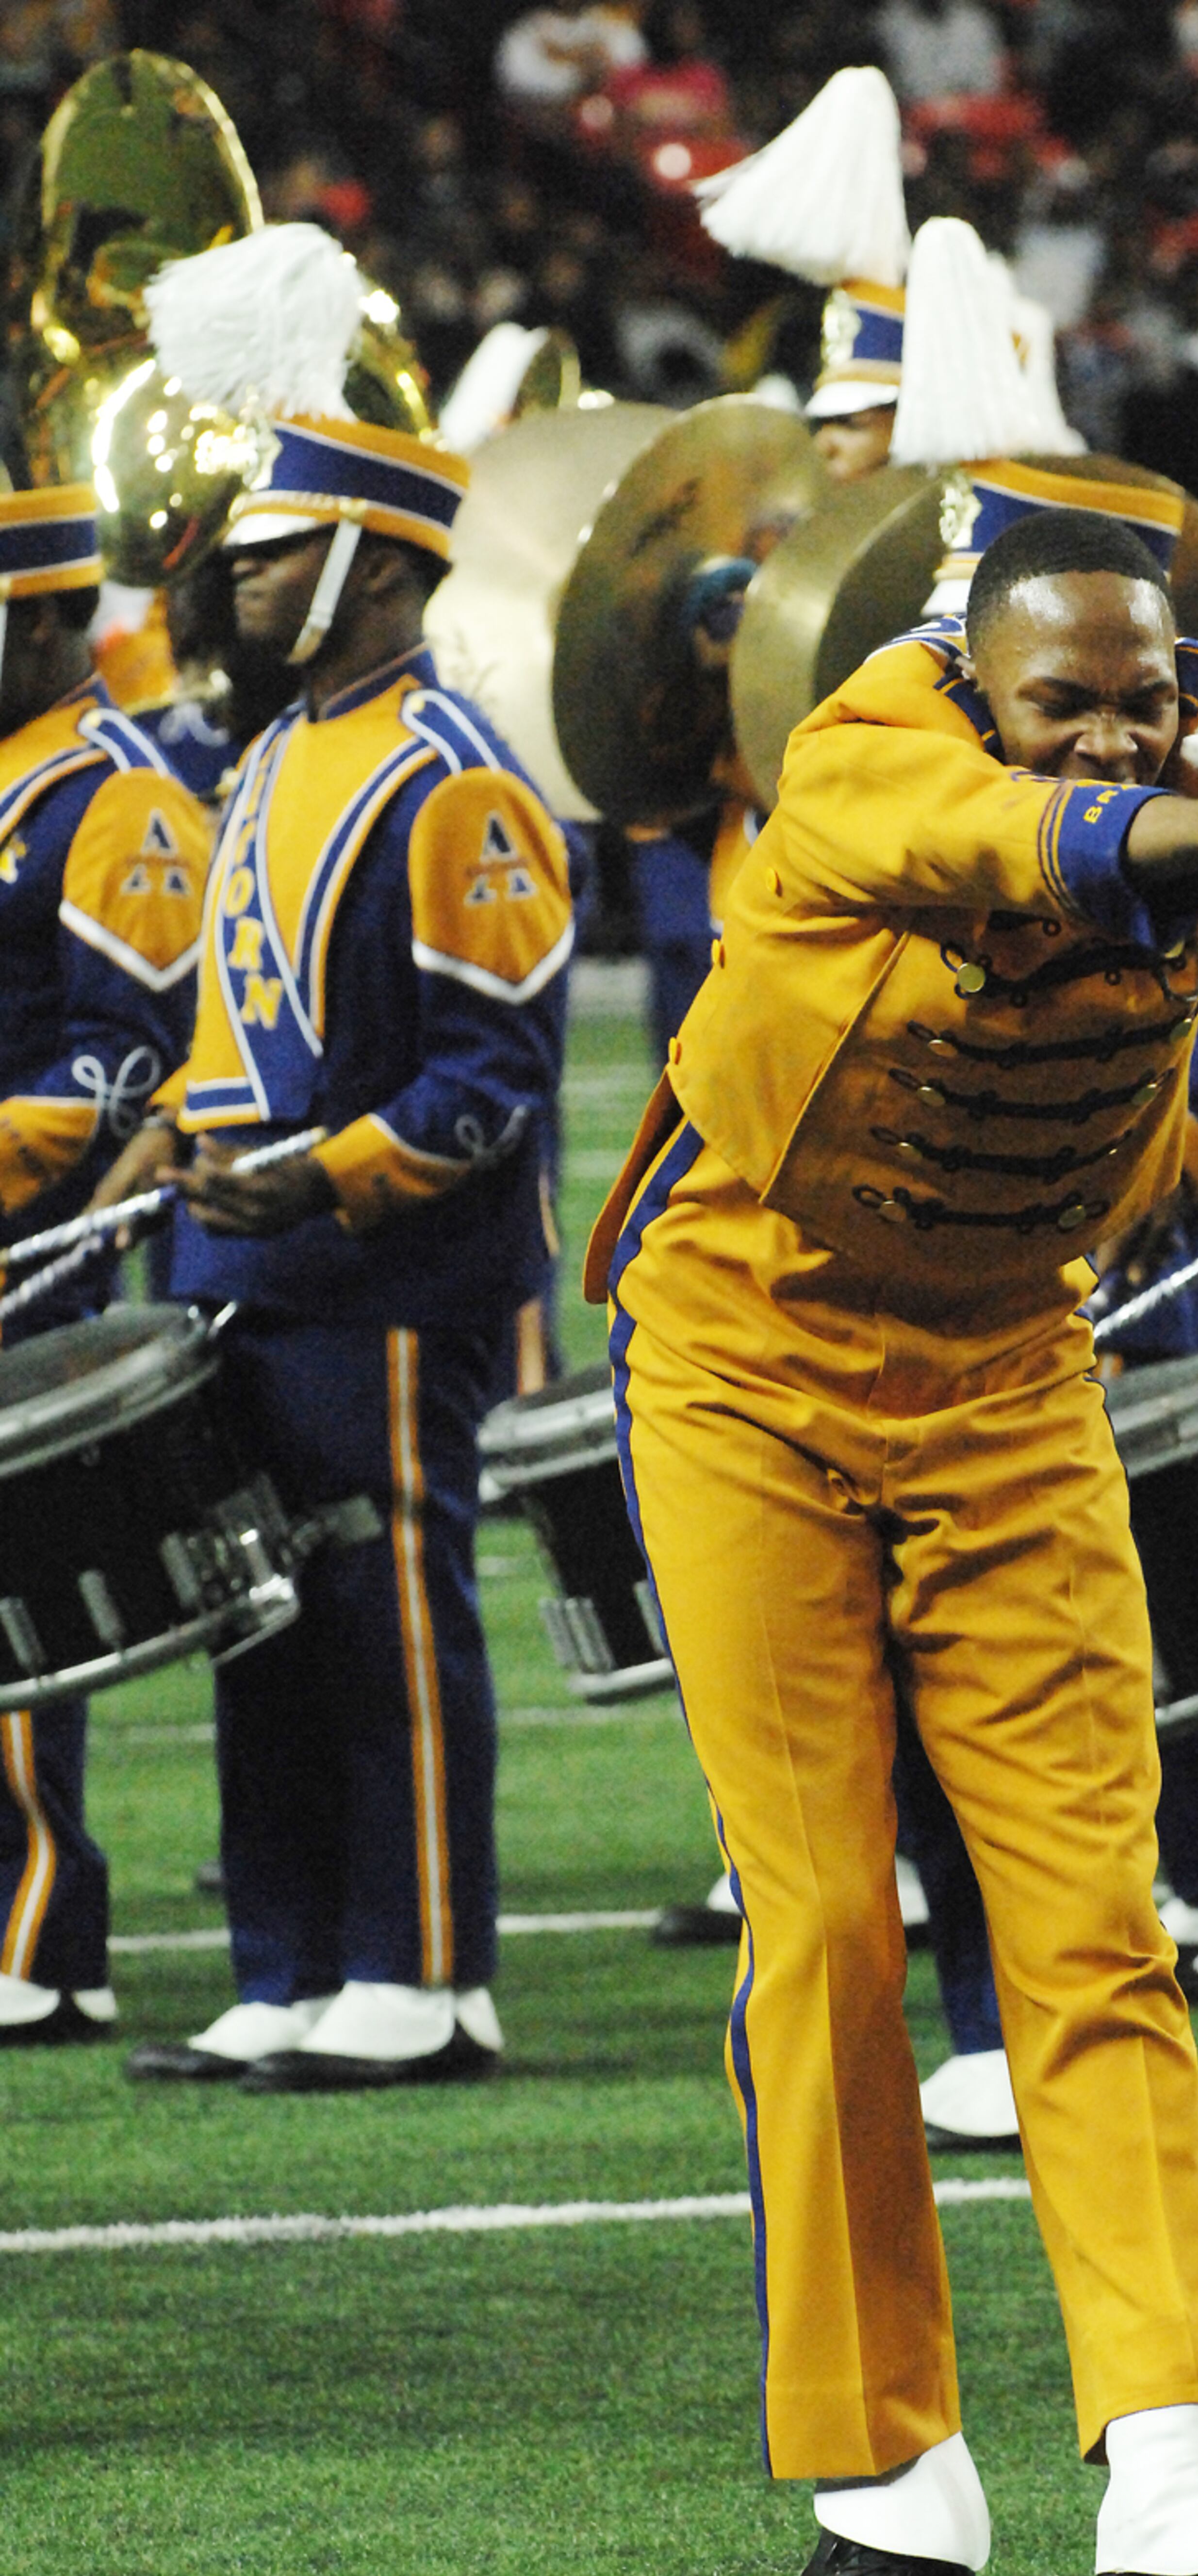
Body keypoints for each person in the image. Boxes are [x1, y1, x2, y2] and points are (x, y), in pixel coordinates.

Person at [583, 502, 1198, 2576]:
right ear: (972, 675)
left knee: (1094, 1921)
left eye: (1147, 696)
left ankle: (1185, 2487)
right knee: (827, 1922)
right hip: (748, 1353)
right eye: (1065, 701)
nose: (1113, 732)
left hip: (1011, 1367)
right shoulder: (871, 747)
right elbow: (1008, 840)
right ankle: (884, 2483)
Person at [103, 226, 575, 2092]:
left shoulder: (453, 771)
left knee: (384, 1612)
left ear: (376, 561)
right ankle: (289, 1962)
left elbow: (496, 1075)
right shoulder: (272, 753)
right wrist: (169, 1131)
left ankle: (426, 1971)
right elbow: (243, 1023)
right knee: (261, 1622)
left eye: (271, 551)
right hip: (241, 1263)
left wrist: (319, 1179)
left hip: (383, 1277)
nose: (233, 575)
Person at [0, 483, 211, 2049]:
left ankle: (42, 1937)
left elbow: (121, 1070)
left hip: (30, 1255)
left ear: (43, 617)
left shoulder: (115, 797)